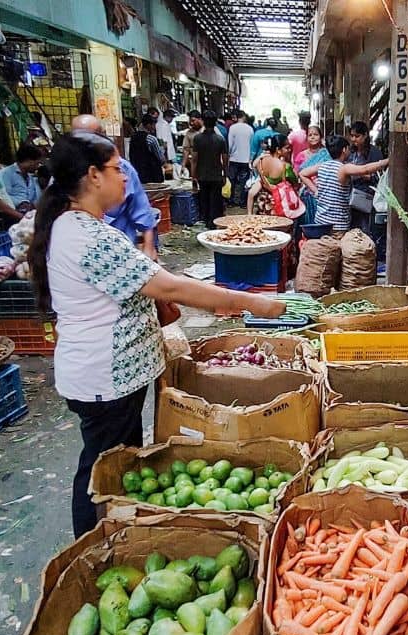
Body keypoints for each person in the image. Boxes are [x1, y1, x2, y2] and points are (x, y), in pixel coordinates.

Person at [27, 130, 285, 537]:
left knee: (118, 462)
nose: (125, 177)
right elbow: (168, 286)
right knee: (100, 469)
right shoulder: (89, 237)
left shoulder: (76, 227)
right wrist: (252, 303)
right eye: (116, 169)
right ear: (93, 176)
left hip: (108, 377)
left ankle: (116, 532)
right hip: (104, 378)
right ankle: (93, 541)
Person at [71, 114, 160, 261]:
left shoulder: (123, 168)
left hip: (122, 248)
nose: (123, 177)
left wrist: (149, 248)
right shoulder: (66, 174)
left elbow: (141, 209)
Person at [300, 135, 388, 233]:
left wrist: (316, 192)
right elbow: (365, 169)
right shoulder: (344, 168)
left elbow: (303, 174)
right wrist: (386, 161)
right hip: (338, 225)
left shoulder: (322, 165)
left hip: (321, 221)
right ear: (344, 149)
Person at [347, 121, 385, 234]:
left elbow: (380, 178)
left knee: (365, 230)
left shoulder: (374, 153)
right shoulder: (350, 152)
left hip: (366, 198)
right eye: (352, 136)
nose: (354, 139)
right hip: (350, 197)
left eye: (357, 136)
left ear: (365, 135)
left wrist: (365, 175)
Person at [191, 112, 229, 225]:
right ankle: (214, 222)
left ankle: (206, 221)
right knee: (215, 201)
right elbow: (225, 159)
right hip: (216, 175)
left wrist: (193, 176)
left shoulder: (197, 139)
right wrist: (225, 174)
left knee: (204, 199)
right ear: (215, 122)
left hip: (202, 174)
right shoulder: (220, 140)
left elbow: (194, 159)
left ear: (203, 121)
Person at [248, 135, 298, 215]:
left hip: (263, 202)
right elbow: (295, 184)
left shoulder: (261, 161)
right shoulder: (285, 167)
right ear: (278, 150)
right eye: (287, 148)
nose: (289, 150)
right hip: (278, 204)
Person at [0, 143, 44, 213]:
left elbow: (37, 197)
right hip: (12, 213)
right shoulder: (6, 173)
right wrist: (21, 203)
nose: (38, 166)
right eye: (37, 163)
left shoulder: (31, 177)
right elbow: (3, 195)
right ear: (29, 161)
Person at [128, 115, 167, 185]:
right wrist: (163, 149)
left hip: (138, 175)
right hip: (152, 175)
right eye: (153, 124)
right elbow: (161, 158)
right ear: (149, 125)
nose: (154, 127)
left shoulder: (133, 138)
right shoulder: (151, 139)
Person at [227, 110, 254, 207]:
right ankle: (242, 202)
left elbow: (230, 144)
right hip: (245, 159)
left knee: (232, 181)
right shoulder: (250, 129)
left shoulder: (232, 128)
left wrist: (229, 154)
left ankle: (232, 201)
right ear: (243, 117)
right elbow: (252, 145)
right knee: (243, 182)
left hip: (234, 158)